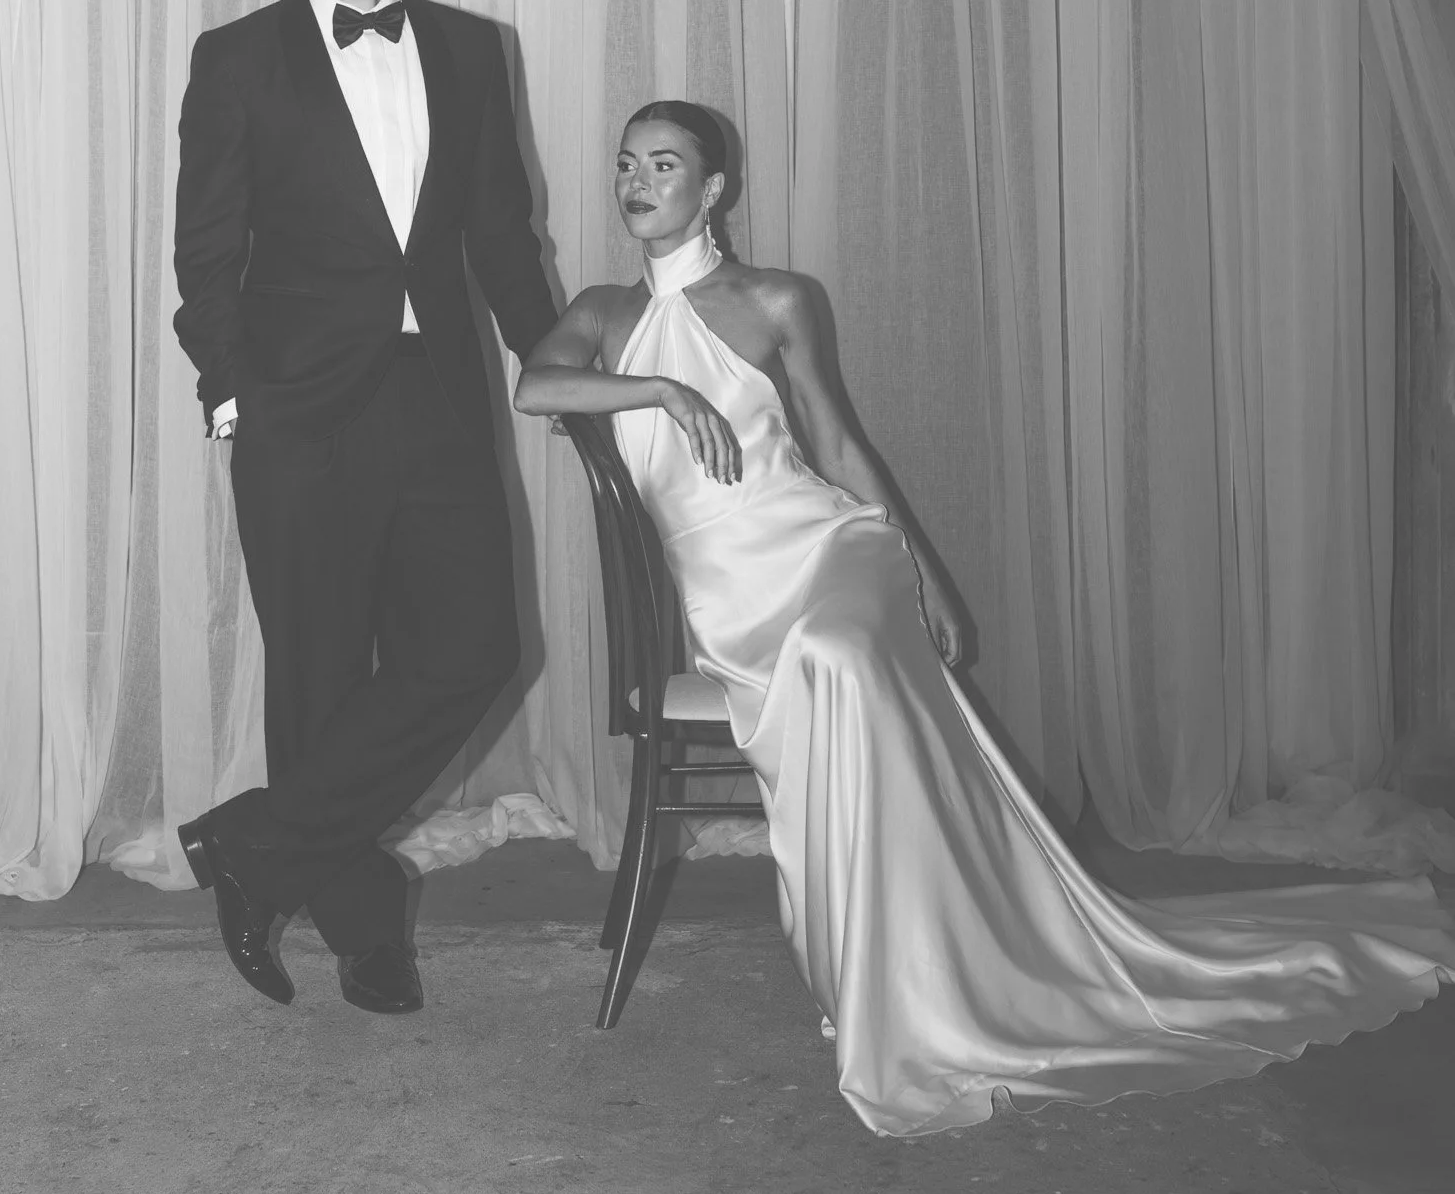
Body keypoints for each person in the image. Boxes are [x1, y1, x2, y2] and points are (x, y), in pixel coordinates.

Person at [514, 99, 1455, 1136]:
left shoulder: (776, 296)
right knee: (825, 675)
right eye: (625, 165)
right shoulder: (603, 312)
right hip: (731, 601)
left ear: (713, 189)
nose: (636, 183)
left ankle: (900, 988)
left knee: (836, 652)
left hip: (830, 554)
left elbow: (838, 448)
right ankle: (888, 954)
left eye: (663, 165)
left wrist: (926, 576)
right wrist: (653, 388)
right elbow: (535, 387)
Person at [173, 0, 556, 1015]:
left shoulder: (469, 48)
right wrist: (231, 393)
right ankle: (364, 929)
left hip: (431, 392)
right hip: (295, 406)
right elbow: (204, 248)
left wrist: (552, 367)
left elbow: (499, 234)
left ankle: (257, 843)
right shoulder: (236, 57)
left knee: (477, 644)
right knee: (319, 674)